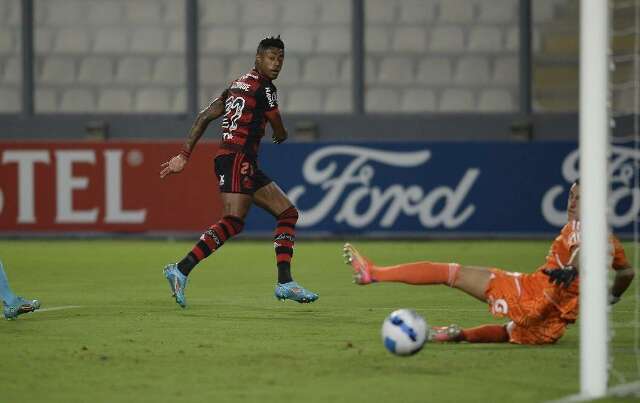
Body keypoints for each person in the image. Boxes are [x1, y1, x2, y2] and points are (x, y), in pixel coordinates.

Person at [343, 183, 635, 344]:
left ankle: (374, 273)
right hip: (552, 326)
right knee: (510, 332)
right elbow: (627, 271)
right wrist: (612, 296)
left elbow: (582, 248)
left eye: (580, 198)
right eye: (571, 196)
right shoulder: (611, 240)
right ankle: (458, 335)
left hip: (531, 294)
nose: (572, 203)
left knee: (451, 273)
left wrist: (572, 267)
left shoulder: (581, 227)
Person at [159, 36, 318, 308]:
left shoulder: (236, 84)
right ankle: (181, 269)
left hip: (241, 161)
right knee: (233, 221)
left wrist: (184, 155)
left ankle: (285, 282)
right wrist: (281, 134)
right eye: (271, 57)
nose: (277, 63)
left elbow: (204, 116)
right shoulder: (266, 88)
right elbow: (276, 124)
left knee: (287, 213)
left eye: (280, 58)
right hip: (236, 158)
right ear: (258, 58)